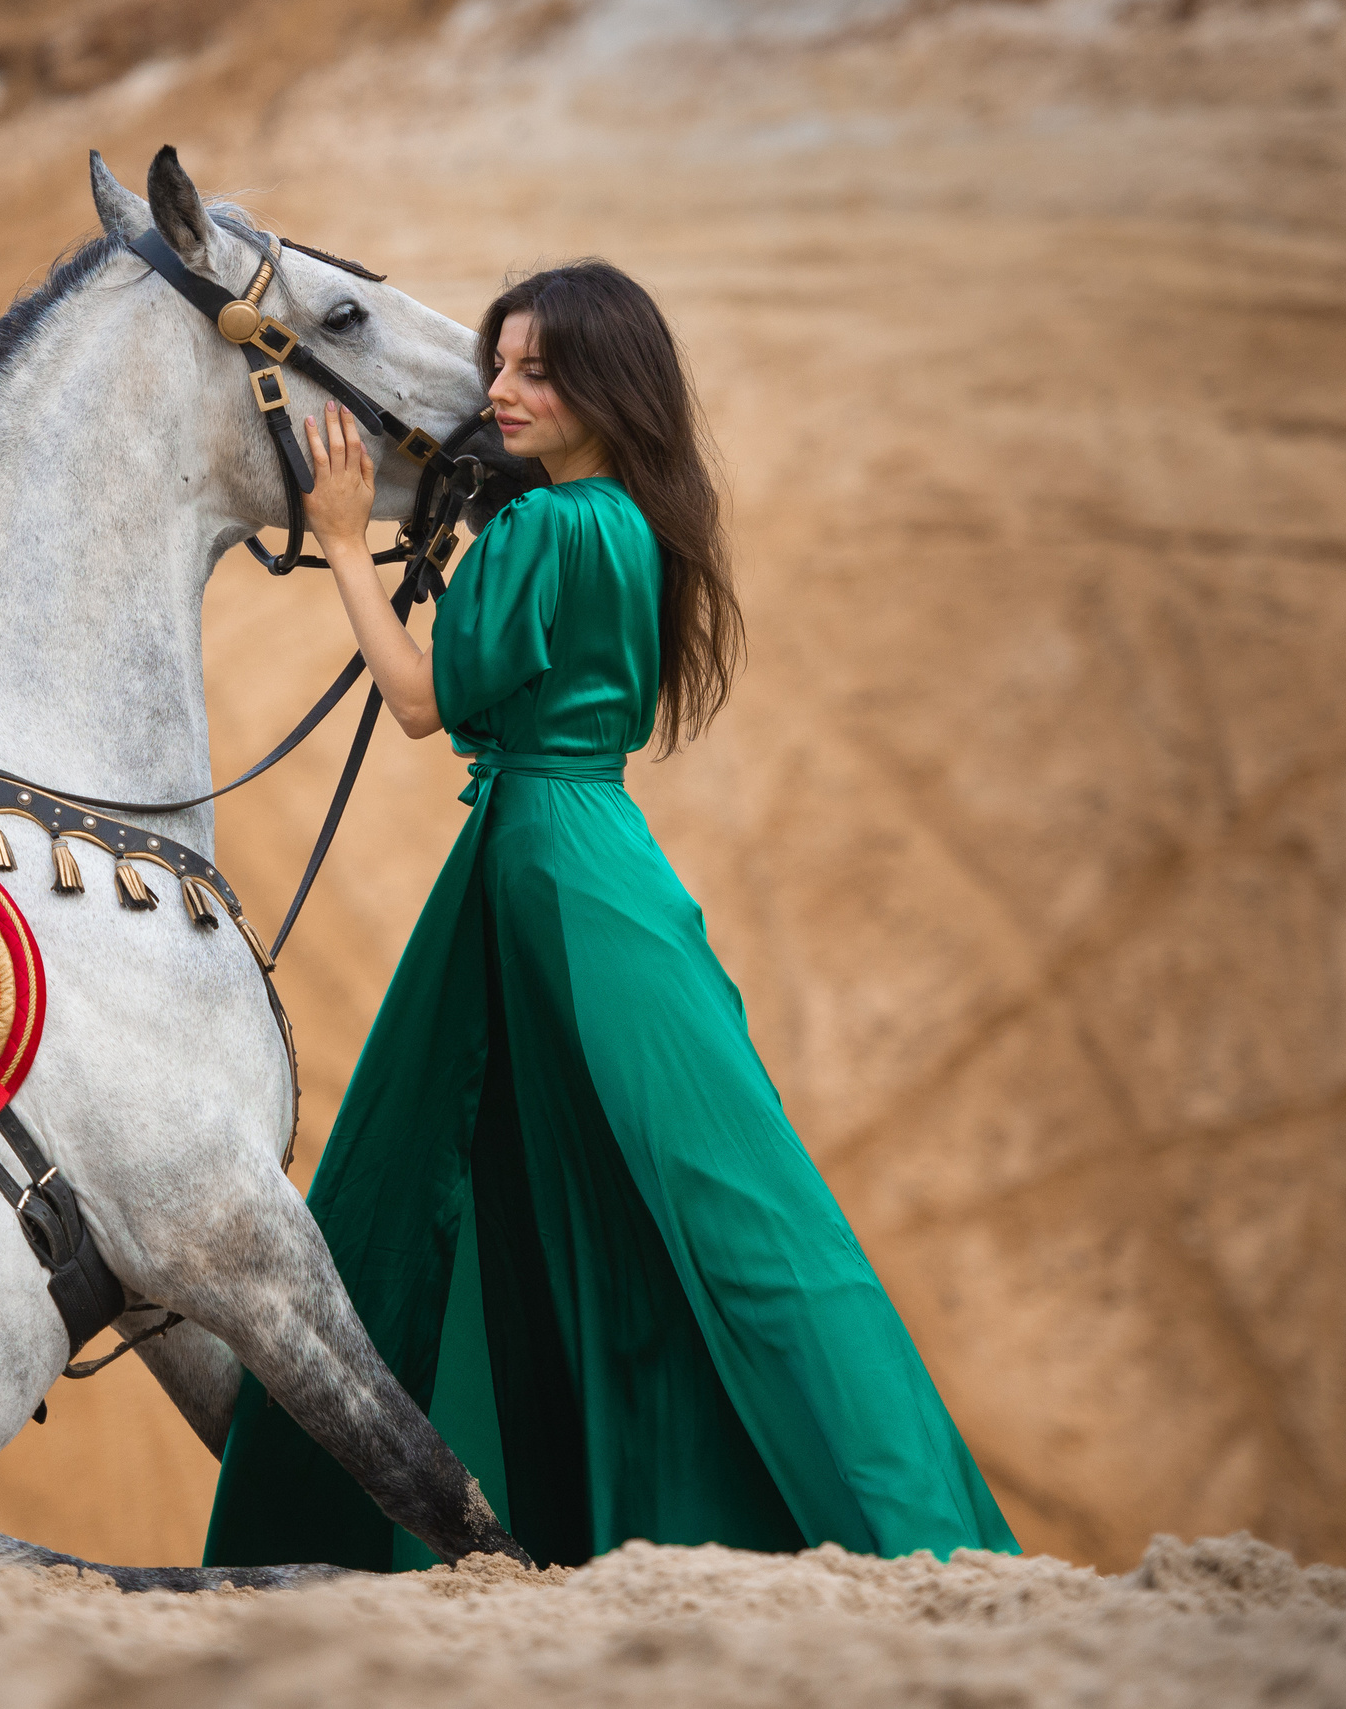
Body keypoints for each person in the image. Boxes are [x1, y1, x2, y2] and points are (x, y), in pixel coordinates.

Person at [202, 261, 1019, 1571]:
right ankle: (874, 1517)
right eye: (502, 365)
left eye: (540, 370)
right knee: (678, 1195)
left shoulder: (549, 532)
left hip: (543, 867)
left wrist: (348, 538)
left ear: (609, 389)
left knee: (546, 1186)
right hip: (590, 856)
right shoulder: (629, 526)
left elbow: (418, 701)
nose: (506, 391)